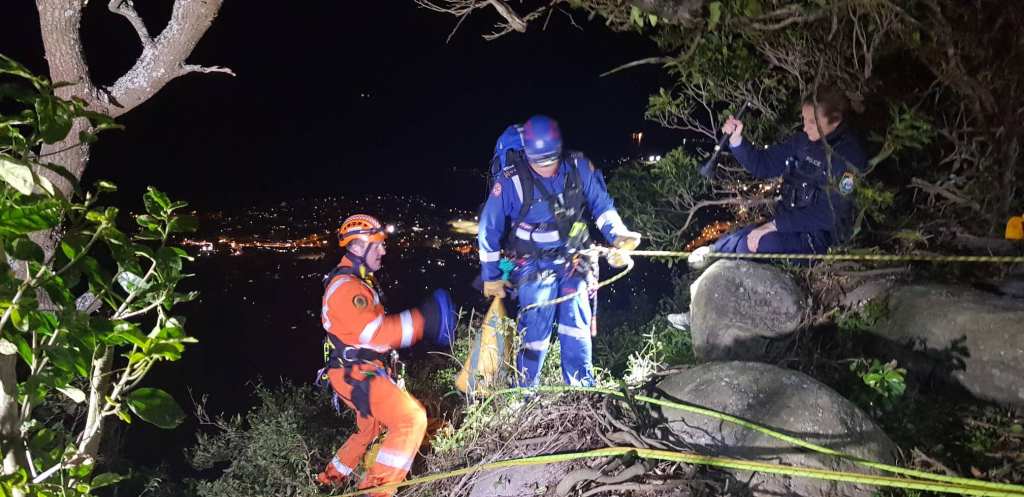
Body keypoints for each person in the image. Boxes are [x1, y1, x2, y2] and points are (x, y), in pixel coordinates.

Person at [672, 88, 867, 330]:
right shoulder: (803, 142)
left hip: (818, 240)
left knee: (752, 244)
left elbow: (830, 214)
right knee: (736, 238)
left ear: (835, 119)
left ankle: (702, 317)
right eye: (804, 119)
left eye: (812, 121)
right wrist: (737, 141)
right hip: (788, 225)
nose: (805, 126)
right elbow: (763, 164)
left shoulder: (850, 158)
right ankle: (704, 278)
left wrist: (772, 226)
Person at [477, 115, 642, 388]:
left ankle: (581, 387)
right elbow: (488, 230)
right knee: (536, 328)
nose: (548, 167)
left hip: (574, 256)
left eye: (551, 159)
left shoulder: (578, 166)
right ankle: (524, 393)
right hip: (532, 261)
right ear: (527, 156)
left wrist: (617, 235)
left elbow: (602, 205)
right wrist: (491, 275)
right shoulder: (511, 181)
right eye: (540, 162)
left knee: (576, 323)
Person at [316, 214, 456, 496]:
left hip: (351, 371)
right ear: (357, 248)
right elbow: (377, 334)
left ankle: (328, 481)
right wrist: (424, 321)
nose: (383, 250)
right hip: (356, 374)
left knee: (368, 429)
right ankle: (375, 491)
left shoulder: (358, 281)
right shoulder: (347, 289)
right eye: (377, 244)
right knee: (411, 419)